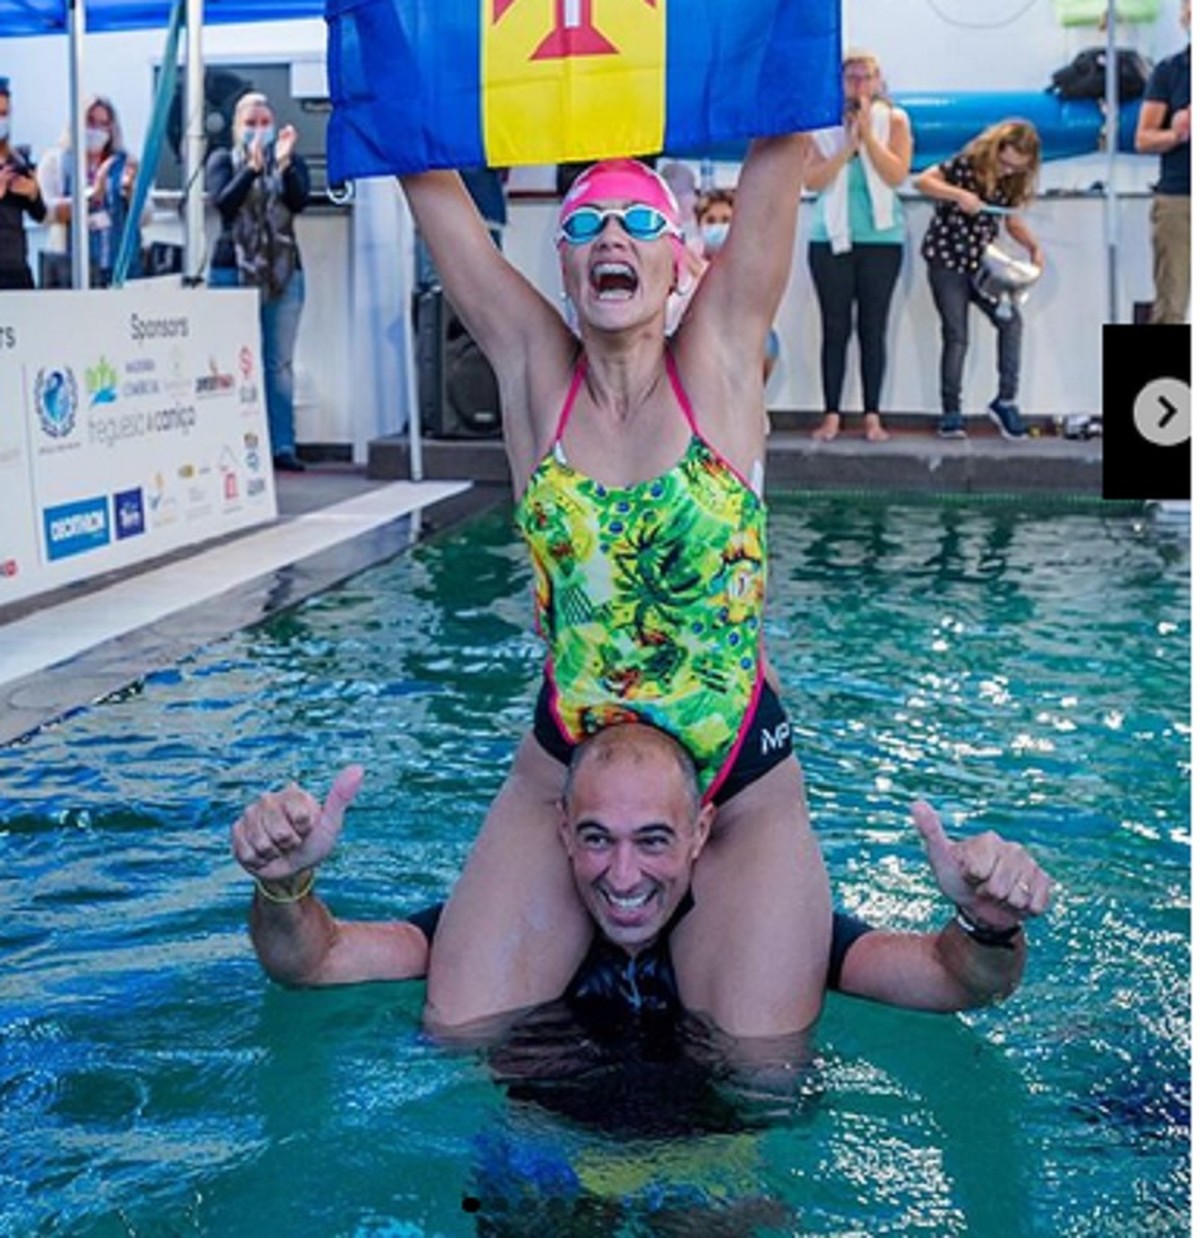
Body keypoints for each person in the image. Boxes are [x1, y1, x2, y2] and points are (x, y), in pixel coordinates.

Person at [398, 144, 833, 1045]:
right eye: (586, 224)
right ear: (561, 264)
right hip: (574, 758)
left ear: (678, 262)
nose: (612, 237)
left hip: (735, 765)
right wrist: (392, 73)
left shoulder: (717, 357)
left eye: (639, 221)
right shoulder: (533, 371)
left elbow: (777, 163)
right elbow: (436, 199)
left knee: (756, 1064)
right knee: (461, 1025)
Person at [230, 725, 1052, 1016]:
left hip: (712, 1152)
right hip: (543, 1159)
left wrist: (987, 922)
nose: (623, 874)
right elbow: (313, 963)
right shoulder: (509, 928)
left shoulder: (754, 933)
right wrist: (283, 885)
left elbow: (955, 982)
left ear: (701, 833)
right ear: (559, 829)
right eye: (597, 838)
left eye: (653, 840)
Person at [802, 50, 912, 444]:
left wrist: (867, 138)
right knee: (835, 328)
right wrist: (847, 147)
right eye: (851, 77)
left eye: (866, 77)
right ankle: (831, 413)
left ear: (879, 81)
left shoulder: (894, 121)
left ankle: (872, 415)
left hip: (881, 239)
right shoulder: (819, 126)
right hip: (829, 239)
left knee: (873, 327)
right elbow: (812, 180)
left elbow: (896, 173)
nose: (859, 85)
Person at [913, 120, 1044, 441]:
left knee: (1010, 323)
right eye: (1004, 163)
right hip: (947, 259)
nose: (1007, 171)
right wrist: (958, 195)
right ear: (995, 149)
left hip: (982, 263)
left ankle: (1005, 400)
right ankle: (951, 412)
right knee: (957, 335)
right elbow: (923, 181)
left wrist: (1033, 246)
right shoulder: (966, 163)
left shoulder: (1012, 182)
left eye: (1015, 168)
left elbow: (1009, 219)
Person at [205, 91, 310, 473]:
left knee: (278, 364)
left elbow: (300, 201)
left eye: (264, 123)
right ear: (236, 127)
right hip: (232, 270)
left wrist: (282, 166)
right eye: (250, 123)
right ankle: (232, 443)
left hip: (283, 274)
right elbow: (223, 203)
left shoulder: (290, 162)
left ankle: (282, 446)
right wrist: (250, 169)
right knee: (231, 363)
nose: (258, 130)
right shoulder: (221, 159)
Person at [36, 95, 146, 288]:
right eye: (91, 122)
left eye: (104, 124)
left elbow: (146, 216)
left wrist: (131, 192)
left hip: (120, 270)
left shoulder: (126, 161)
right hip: (71, 270)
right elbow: (44, 213)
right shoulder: (55, 161)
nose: (97, 130)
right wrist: (91, 196)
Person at [1135, 0, 1191, 325]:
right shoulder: (1170, 71)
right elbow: (1143, 139)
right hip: (1180, 198)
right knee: (1171, 304)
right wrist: (1177, 132)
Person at [0, 79, 45, 290]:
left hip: (16, 269)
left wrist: (33, 193)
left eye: (4, 114)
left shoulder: (16, 160)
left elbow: (40, 214)